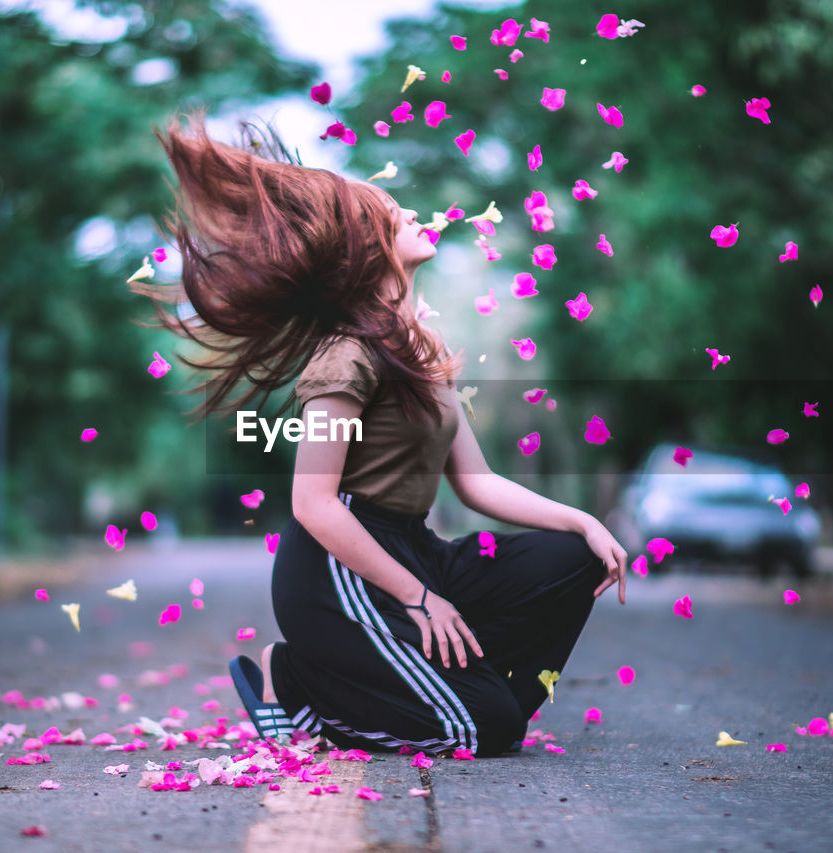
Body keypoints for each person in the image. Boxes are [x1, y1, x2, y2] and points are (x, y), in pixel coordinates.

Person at [131, 112, 629, 757]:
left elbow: (475, 482)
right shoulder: (346, 356)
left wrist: (583, 522)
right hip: (339, 570)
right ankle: (300, 682)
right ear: (368, 247)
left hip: (413, 548)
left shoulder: (422, 346)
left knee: (573, 558)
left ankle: (444, 687)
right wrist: (419, 599)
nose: (413, 215)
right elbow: (312, 503)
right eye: (393, 215)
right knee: (486, 729)